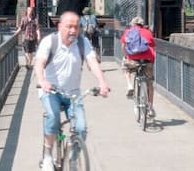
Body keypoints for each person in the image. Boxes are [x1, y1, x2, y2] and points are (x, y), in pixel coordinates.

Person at [34, 11, 111, 171]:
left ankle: (73, 158)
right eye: (69, 27)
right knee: (53, 117)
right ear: (60, 26)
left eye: (76, 27)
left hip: (73, 93)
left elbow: (93, 63)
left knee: (81, 128)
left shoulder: (83, 43)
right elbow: (39, 64)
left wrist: (102, 83)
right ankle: (48, 156)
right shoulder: (50, 41)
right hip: (51, 92)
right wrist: (42, 81)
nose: (73, 31)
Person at [121, 16, 156, 117]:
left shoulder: (128, 32)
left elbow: (123, 47)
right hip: (147, 61)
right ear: (142, 24)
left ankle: (129, 85)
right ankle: (150, 108)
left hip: (133, 61)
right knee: (150, 83)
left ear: (132, 24)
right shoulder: (148, 32)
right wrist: (152, 61)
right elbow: (153, 48)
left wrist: (126, 57)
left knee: (125, 67)